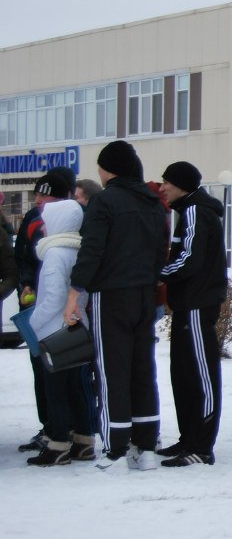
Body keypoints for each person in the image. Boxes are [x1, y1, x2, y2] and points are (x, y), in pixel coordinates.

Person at [64, 141, 169, 470]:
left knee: (112, 371)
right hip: (144, 294)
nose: (98, 172)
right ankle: (146, 447)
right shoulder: (153, 202)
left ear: (109, 169)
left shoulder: (105, 201)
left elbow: (92, 249)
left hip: (110, 295)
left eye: (100, 166)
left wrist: (75, 291)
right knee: (143, 369)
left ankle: (116, 449)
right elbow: (160, 250)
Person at [156, 161, 228, 467]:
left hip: (198, 303)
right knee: (183, 374)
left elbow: (189, 258)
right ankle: (188, 439)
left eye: (167, 182)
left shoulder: (196, 211)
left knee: (200, 374)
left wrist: (159, 274)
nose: (163, 188)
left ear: (182, 185)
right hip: (187, 304)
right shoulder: (187, 210)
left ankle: (202, 446)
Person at [26, 199, 93, 466]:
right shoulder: (78, 251)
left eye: (46, 221)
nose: (43, 227)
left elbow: (53, 298)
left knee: (56, 391)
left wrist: (33, 322)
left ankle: (58, 446)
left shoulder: (54, 254)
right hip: (77, 328)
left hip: (55, 332)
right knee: (76, 388)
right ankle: (84, 441)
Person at [14, 172, 74, 454]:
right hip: (34, 303)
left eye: (45, 195)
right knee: (41, 369)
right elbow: (22, 258)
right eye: (37, 194)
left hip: (59, 310)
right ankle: (49, 425)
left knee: (64, 372)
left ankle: (66, 429)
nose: (38, 199)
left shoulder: (71, 219)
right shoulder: (31, 218)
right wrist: (26, 283)